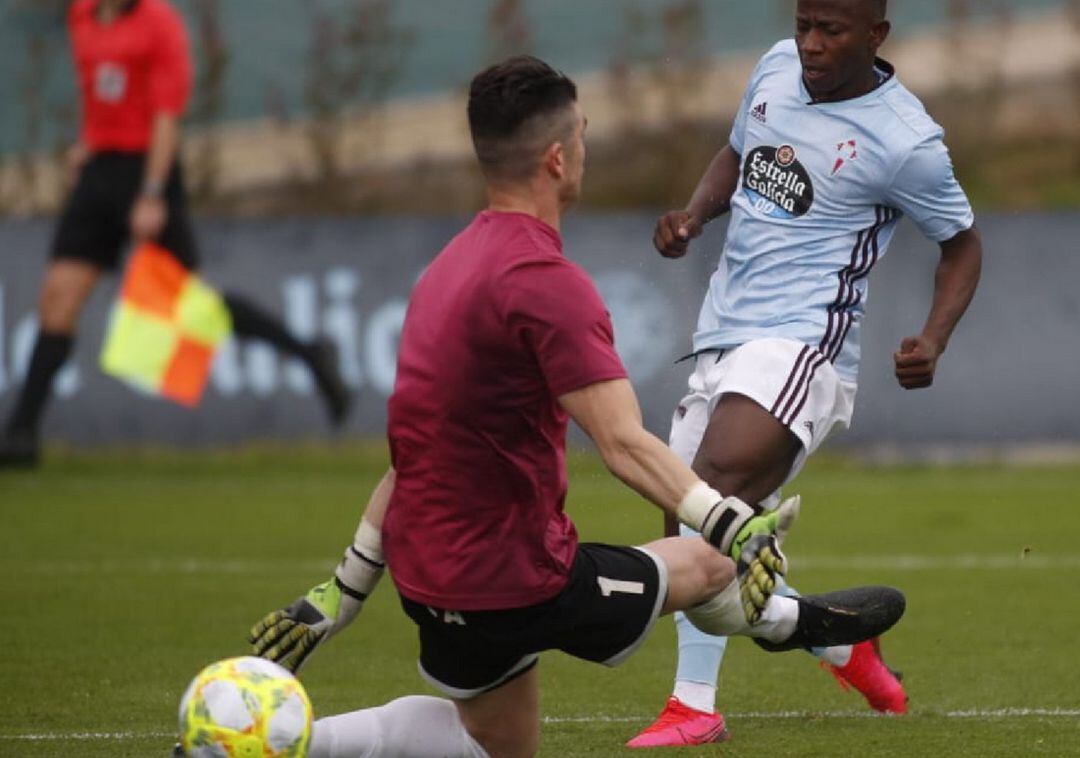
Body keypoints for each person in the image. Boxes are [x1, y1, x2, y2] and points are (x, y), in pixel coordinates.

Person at [240, 56, 905, 758]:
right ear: (557, 159)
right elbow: (622, 445)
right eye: (582, 134)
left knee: (497, 744)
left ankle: (276, 744)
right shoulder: (548, 284)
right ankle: (797, 626)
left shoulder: (445, 271)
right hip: (518, 582)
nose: (586, 146)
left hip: (428, 580)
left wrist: (342, 593)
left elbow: (414, 448)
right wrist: (734, 524)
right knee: (709, 565)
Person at [626, 0, 983, 747]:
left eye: (832, 31)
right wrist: (693, 216)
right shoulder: (774, 69)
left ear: (876, 36)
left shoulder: (907, 141)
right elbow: (737, 154)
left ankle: (694, 707)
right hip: (722, 334)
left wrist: (936, 339)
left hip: (805, 347)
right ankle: (832, 639)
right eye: (805, 26)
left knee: (711, 492)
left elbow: (962, 245)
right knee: (689, 552)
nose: (812, 45)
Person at [0, 0, 349, 468]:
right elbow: (106, 96)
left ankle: (310, 354)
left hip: (147, 173)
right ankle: (21, 436)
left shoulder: (160, 24)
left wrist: (150, 193)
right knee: (58, 296)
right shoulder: (82, 14)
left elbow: (165, 118)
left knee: (192, 306)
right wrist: (89, 143)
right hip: (99, 172)